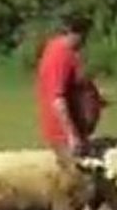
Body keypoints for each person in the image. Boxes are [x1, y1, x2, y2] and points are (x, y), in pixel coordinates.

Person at [35, 12, 106, 164]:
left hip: (76, 131)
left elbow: (74, 87)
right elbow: (58, 100)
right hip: (64, 135)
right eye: (85, 36)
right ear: (77, 33)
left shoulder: (65, 51)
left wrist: (93, 99)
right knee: (80, 176)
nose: (86, 42)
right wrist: (71, 135)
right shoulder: (60, 56)